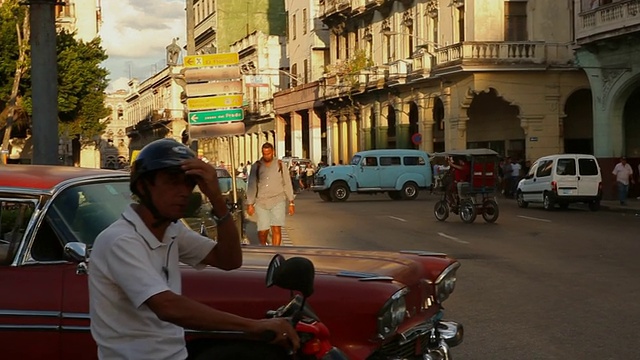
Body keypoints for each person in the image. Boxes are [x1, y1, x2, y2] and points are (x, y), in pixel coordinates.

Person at [88, 138, 298, 360]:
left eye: (188, 184)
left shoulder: (172, 231)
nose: (183, 192)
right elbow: (167, 306)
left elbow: (228, 260)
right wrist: (253, 326)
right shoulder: (120, 240)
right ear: (143, 186)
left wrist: (216, 198)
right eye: (172, 182)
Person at [246, 143, 295, 246]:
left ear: (273, 152)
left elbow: (287, 183)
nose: (266, 156)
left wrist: (291, 202)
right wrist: (250, 204)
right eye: (264, 153)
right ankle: (264, 247)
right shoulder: (257, 166)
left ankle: (275, 251)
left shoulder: (280, 165)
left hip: (278, 200)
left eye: (268, 153)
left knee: (276, 227)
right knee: (263, 230)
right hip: (261, 202)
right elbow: (252, 185)